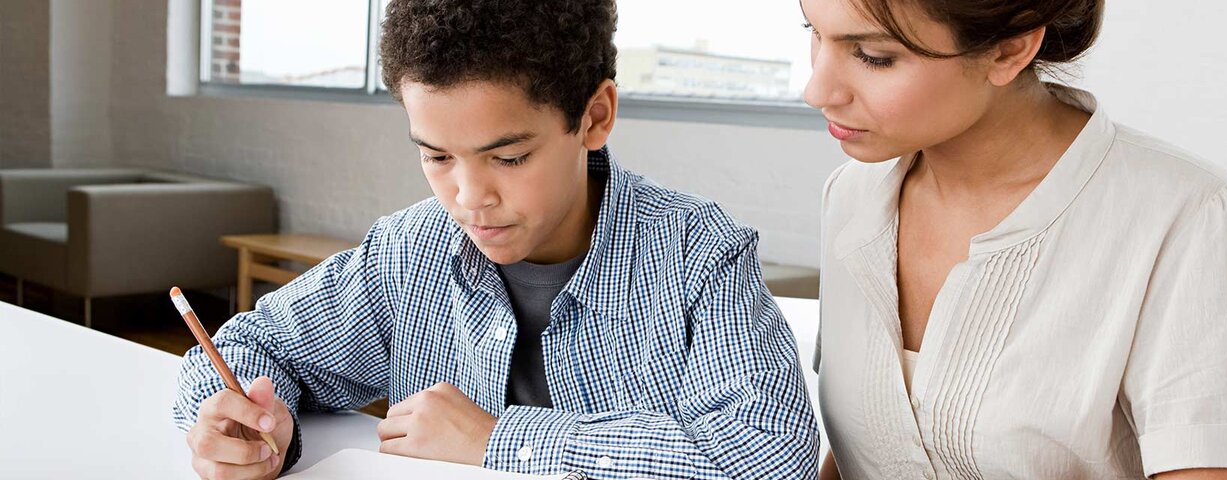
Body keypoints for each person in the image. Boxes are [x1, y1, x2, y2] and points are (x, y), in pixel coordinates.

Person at [173, 1, 818, 479]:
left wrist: (496, 440)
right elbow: (248, 346)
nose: (469, 197)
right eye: (436, 157)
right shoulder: (407, 252)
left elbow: (768, 453)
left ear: (594, 117)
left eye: (508, 159)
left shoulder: (699, 255)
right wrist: (246, 423)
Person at [802, 0, 1227, 478]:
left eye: (874, 56)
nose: (816, 89)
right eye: (813, 34)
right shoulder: (852, 197)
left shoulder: (1190, 216)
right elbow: (866, 448)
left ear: (1010, 49)